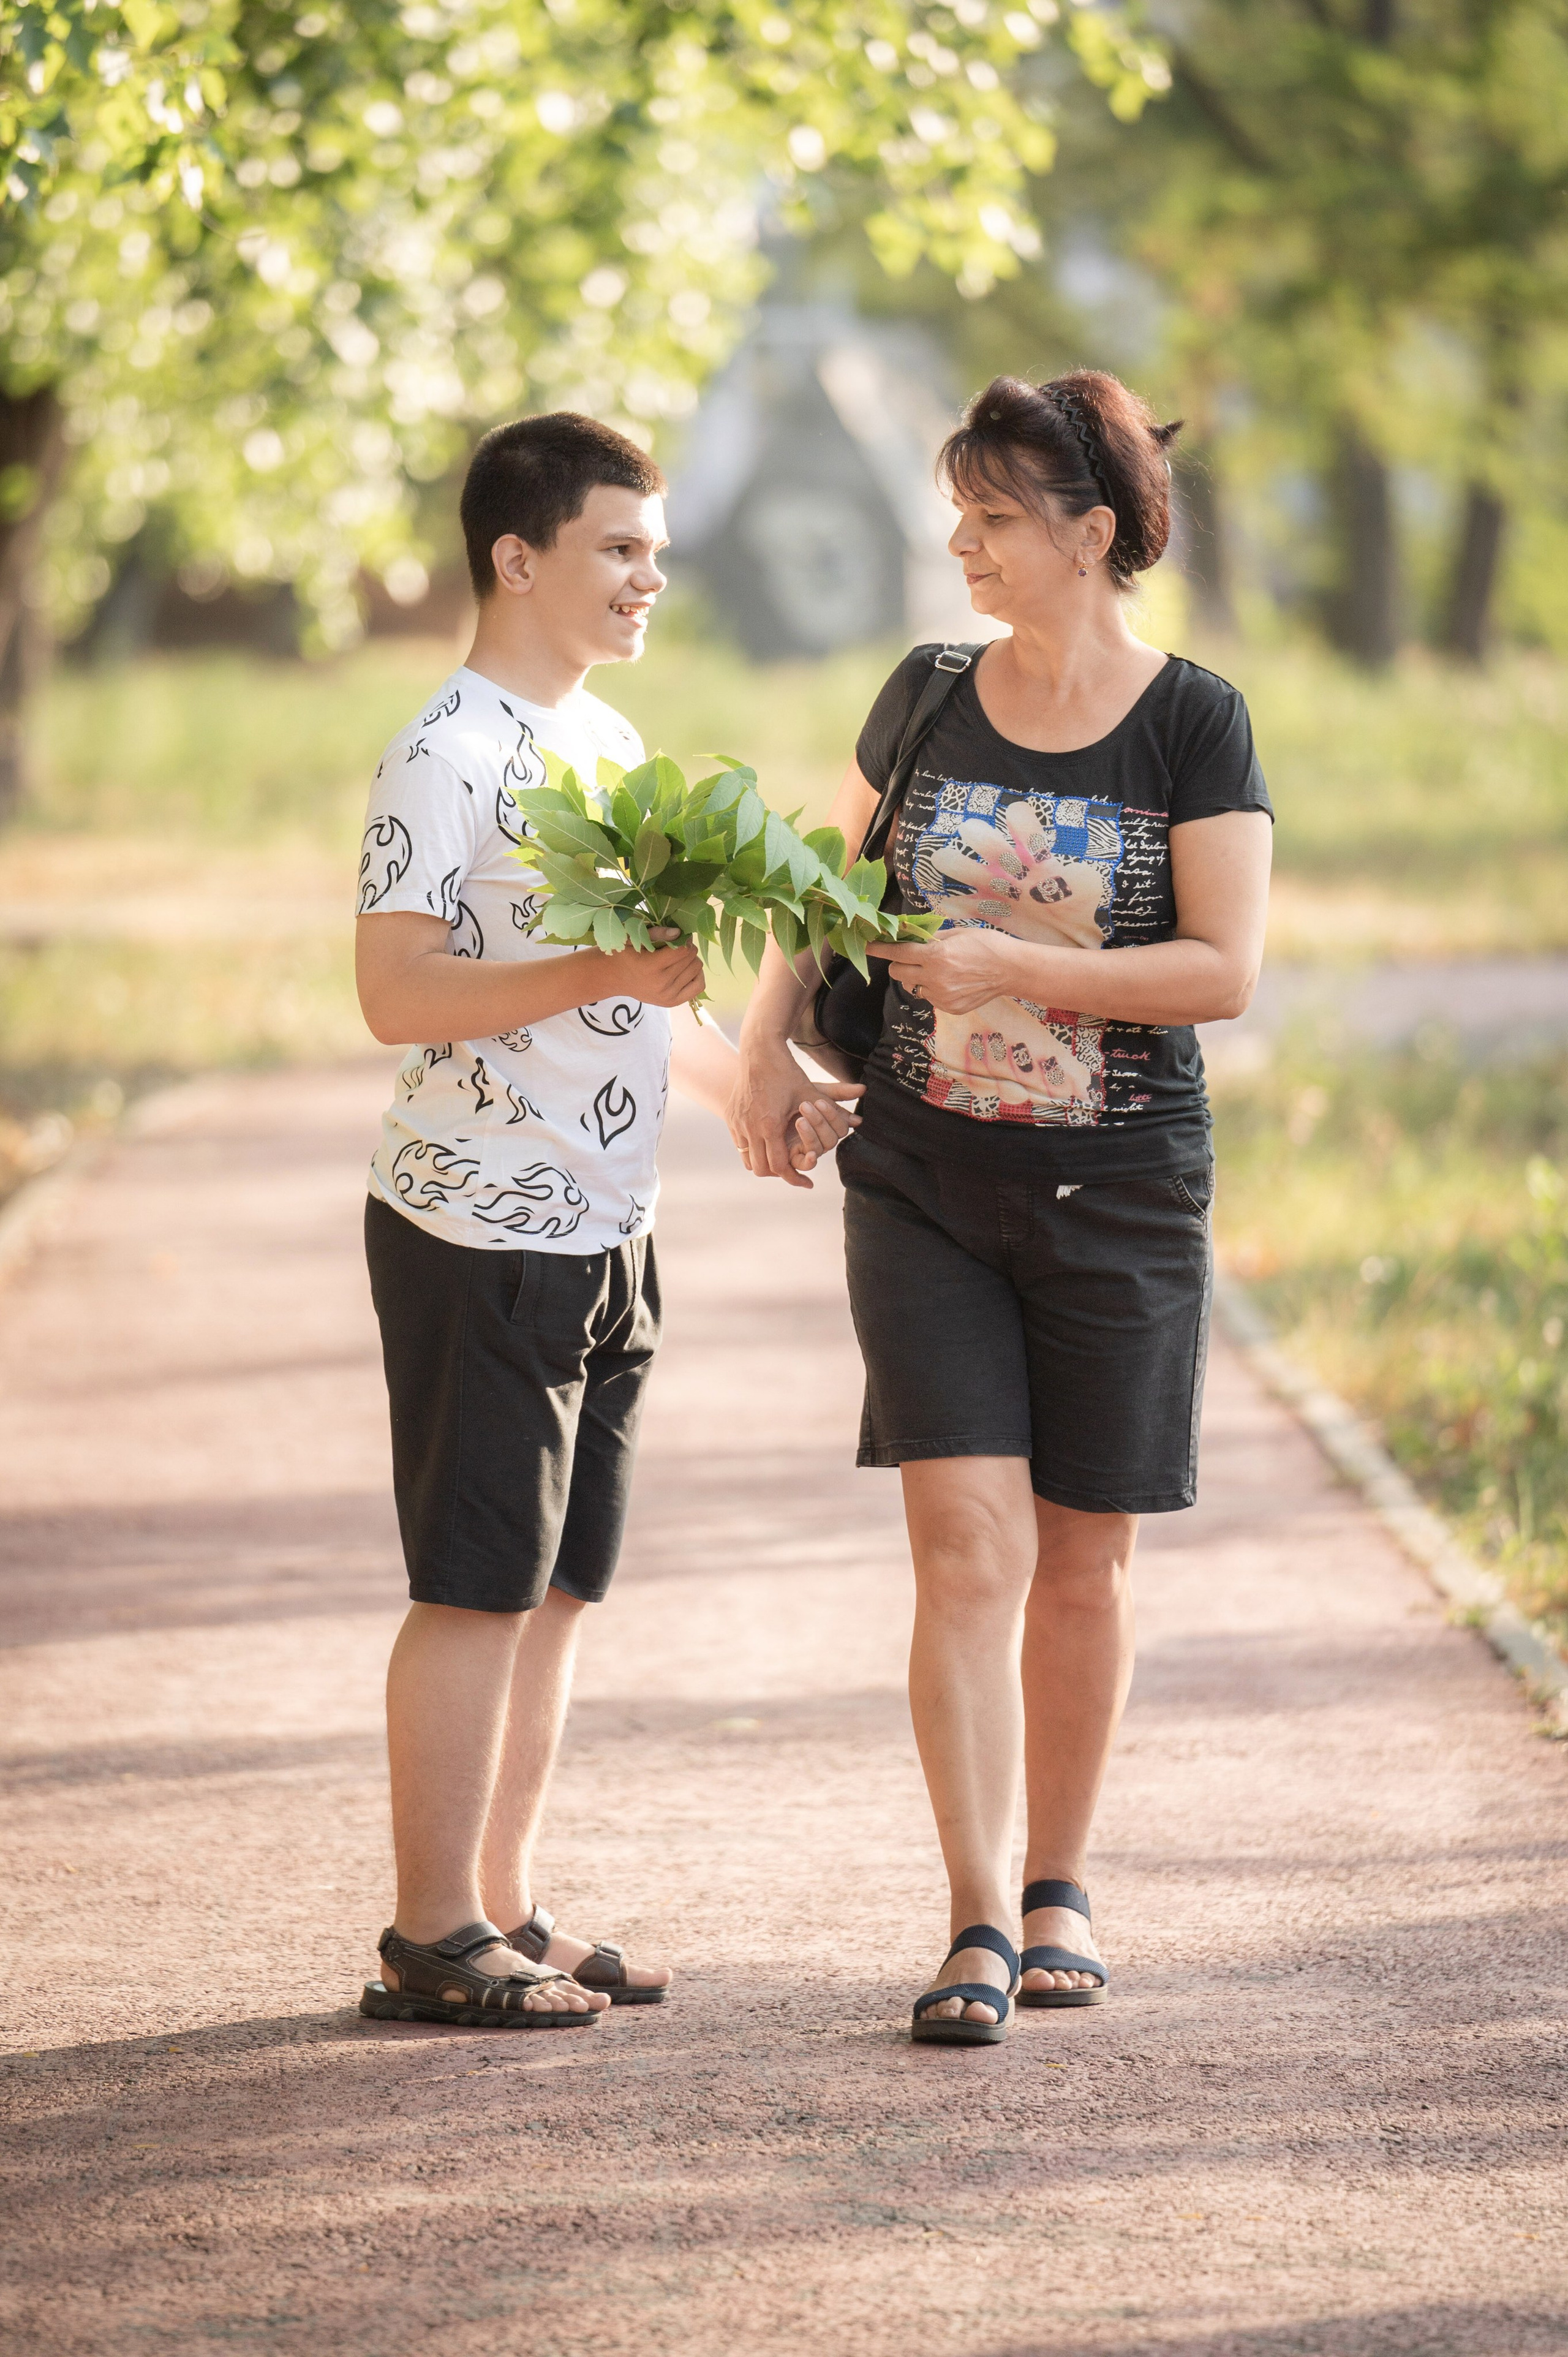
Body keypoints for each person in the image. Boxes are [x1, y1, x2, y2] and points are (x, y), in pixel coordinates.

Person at [730, 371, 1273, 2045]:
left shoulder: (1194, 721)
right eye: (954, 511)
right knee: (964, 1546)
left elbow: (1222, 972)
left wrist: (1016, 963)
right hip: (924, 1179)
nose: (958, 541)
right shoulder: (924, 693)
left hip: (1119, 1192)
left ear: (1091, 532)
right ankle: (970, 1919)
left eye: (991, 515)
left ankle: (1060, 1891)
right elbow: (821, 897)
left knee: (1084, 1567)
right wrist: (765, 1050)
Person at [353, 410, 860, 2026]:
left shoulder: (600, 748)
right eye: (619, 548)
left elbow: (641, 1014)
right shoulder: (448, 748)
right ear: (518, 558)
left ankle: (501, 1902)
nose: (653, 575)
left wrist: (751, 1101)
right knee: (477, 1579)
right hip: (478, 1227)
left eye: (654, 548)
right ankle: (430, 1933)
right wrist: (603, 974)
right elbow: (393, 987)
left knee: (563, 1584)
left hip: (605, 1226)